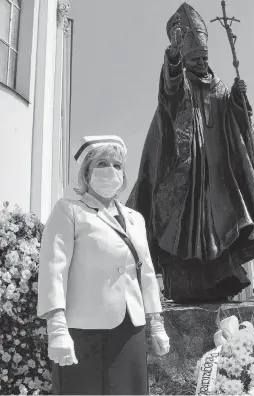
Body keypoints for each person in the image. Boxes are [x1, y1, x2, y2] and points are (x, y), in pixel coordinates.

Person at [127, 3, 254, 303]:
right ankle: (185, 284)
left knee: (223, 228)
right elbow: (169, 92)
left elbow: (236, 124)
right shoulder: (181, 80)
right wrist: (172, 57)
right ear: (184, 57)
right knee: (184, 232)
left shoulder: (219, 85)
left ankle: (221, 283)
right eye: (193, 56)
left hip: (219, 179)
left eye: (204, 56)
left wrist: (238, 100)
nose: (200, 61)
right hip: (185, 176)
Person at [37, 135, 170, 395]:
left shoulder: (135, 218)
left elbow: (146, 273)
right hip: (83, 330)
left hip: (130, 327)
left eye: (117, 164)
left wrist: (156, 322)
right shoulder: (69, 210)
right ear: (86, 173)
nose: (111, 170)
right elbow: (54, 269)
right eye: (102, 163)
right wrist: (56, 328)